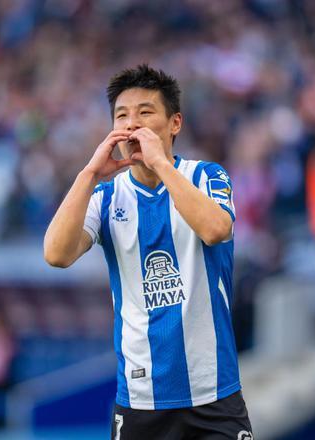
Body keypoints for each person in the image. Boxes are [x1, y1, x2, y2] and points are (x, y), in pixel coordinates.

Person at [43, 65, 253, 439]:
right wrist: (89, 173)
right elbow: (56, 254)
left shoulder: (206, 176)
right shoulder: (106, 197)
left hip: (213, 396)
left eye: (145, 112)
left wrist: (159, 163)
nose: (132, 124)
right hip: (140, 402)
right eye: (122, 116)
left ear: (175, 123)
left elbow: (216, 229)